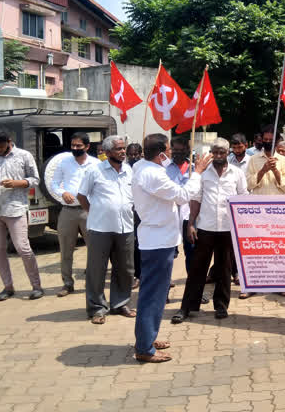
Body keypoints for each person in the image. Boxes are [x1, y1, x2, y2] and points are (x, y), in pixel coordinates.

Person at [131, 134, 210, 362]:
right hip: (157, 240)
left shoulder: (142, 167)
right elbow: (184, 195)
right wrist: (197, 173)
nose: (170, 154)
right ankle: (144, 348)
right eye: (167, 149)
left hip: (157, 237)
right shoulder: (153, 174)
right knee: (153, 295)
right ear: (162, 153)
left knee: (154, 292)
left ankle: (147, 337)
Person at [172, 138, 248, 324]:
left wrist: (242, 226)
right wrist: (191, 224)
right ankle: (187, 308)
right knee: (198, 269)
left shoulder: (237, 174)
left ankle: (221, 306)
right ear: (211, 153)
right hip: (205, 227)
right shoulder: (204, 174)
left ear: (228, 152)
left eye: (222, 152)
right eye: (215, 152)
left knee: (224, 269)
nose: (219, 155)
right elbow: (196, 199)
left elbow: (243, 198)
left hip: (227, 228)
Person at [0, 126, 44, 301]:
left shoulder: (24, 156)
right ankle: (8, 287)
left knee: (23, 248)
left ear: (9, 142)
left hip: (15, 209)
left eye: (0, 146)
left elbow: (35, 179)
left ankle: (36, 286)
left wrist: (17, 183)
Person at [77, 135, 136, 324]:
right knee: (97, 270)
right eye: (118, 149)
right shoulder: (95, 170)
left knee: (125, 269)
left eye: (123, 148)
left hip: (125, 227)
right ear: (108, 152)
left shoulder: (129, 170)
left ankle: (120, 303)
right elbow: (81, 196)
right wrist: (95, 212)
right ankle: (97, 308)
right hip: (100, 228)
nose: (123, 152)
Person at [242, 124, 285, 299]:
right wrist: (263, 170)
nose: (268, 142)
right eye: (265, 140)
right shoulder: (253, 160)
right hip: (258, 211)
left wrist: (276, 170)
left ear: (278, 141)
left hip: (279, 211)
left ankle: (281, 284)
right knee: (257, 249)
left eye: (271, 140)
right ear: (261, 140)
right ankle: (253, 284)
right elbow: (248, 184)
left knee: (279, 248)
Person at [50, 132, 100, 297]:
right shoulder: (64, 163)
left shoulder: (96, 163)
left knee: (94, 249)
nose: (75, 148)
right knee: (65, 250)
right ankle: (67, 283)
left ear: (87, 147)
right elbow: (54, 183)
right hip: (67, 211)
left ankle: (93, 283)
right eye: (73, 145)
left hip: (89, 212)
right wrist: (62, 192)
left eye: (79, 146)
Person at [164, 137, 194, 273]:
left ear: (187, 150)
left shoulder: (195, 168)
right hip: (170, 216)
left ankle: (192, 289)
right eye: (175, 150)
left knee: (192, 253)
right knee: (168, 254)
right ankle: (165, 286)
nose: (177, 153)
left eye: (181, 150)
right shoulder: (163, 169)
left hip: (190, 217)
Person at [126, 143, 144, 288]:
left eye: (136, 154)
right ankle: (135, 275)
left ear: (140, 154)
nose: (133, 157)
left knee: (141, 244)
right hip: (127, 212)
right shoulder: (124, 169)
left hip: (142, 212)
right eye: (130, 155)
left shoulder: (144, 168)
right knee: (132, 245)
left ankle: (141, 274)